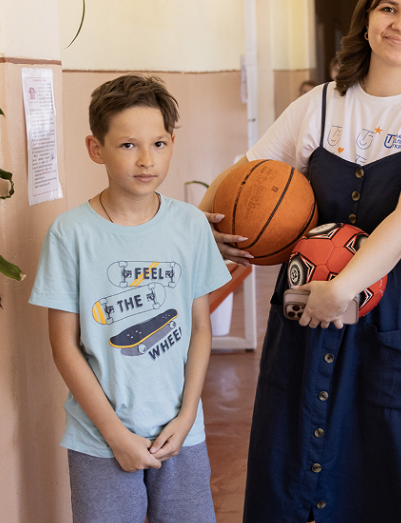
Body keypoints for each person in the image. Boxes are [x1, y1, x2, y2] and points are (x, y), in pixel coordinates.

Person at [199, 0, 401, 522]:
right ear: (367, 20)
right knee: (300, 429)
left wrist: (344, 288)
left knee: (394, 443)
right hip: (309, 288)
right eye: (388, 8)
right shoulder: (319, 103)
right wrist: (213, 225)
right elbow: (246, 176)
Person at [29, 75, 231, 523]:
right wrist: (114, 435)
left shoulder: (190, 225)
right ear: (95, 148)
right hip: (99, 439)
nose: (146, 160)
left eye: (159, 144)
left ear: (172, 143)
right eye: (127, 145)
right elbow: (64, 345)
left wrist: (188, 414)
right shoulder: (70, 234)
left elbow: (200, 327)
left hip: (181, 431)